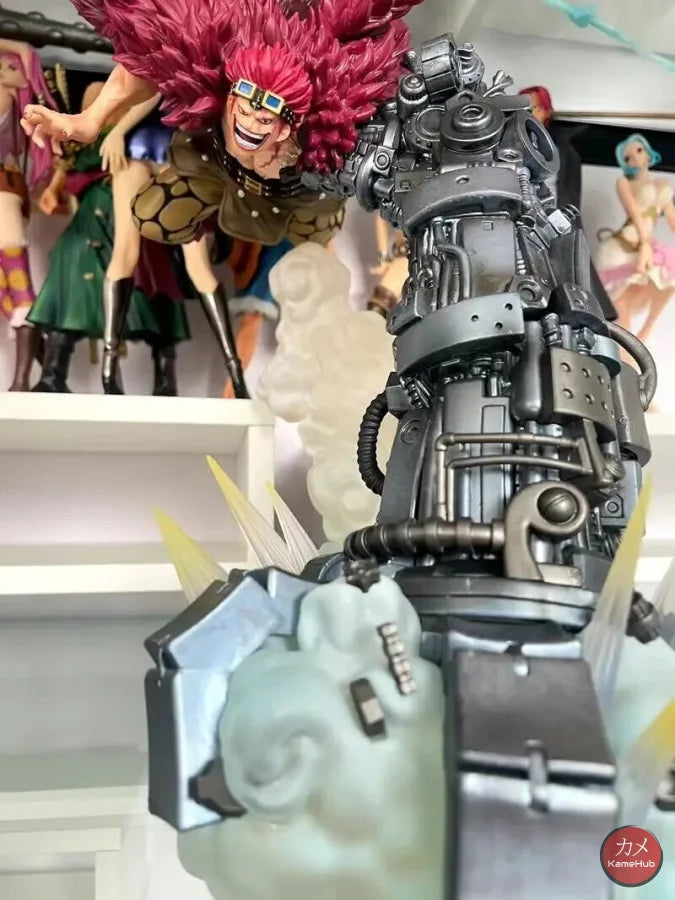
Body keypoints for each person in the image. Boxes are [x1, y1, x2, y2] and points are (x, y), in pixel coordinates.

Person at [20, 0, 422, 398]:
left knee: (316, 248)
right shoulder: (220, 39)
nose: (252, 118)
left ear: (287, 125)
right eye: (247, 104)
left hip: (301, 194)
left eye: (266, 114)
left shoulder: (333, 82)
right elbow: (151, 56)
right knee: (154, 217)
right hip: (214, 167)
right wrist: (91, 120)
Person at [29, 82, 189, 394]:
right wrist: (54, 189)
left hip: (130, 215)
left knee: (152, 282)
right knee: (72, 274)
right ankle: (53, 372)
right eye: (93, 102)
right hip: (92, 219)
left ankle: (165, 376)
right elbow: (68, 170)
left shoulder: (134, 135)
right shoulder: (86, 140)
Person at [519, 85, 617, 321]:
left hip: (554, 216)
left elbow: (570, 192)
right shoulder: (513, 146)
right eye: (524, 107)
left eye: (534, 107)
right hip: (524, 218)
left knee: (567, 269)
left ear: (546, 112)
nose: (530, 113)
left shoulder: (562, 150)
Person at [0, 37, 56, 390]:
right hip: (8, 194)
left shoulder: (6, 99)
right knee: (7, 293)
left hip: (3, 197)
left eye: (9, 67)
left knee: (17, 285)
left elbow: (24, 50)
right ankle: (52, 372)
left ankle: (23, 380)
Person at [595, 133, 675, 345]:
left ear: (648, 154)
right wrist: (645, 246)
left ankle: (645, 332)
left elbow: (672, 219)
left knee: (668, 280)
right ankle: (626, 348)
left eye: (639, 150)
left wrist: (647, 247)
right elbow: (636, 216)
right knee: (622, 304)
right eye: (627, 157)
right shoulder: (624, 182)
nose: (634, 158)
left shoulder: (662, 185)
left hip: (646, 246)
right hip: (623, 246)